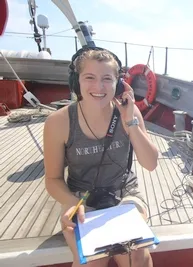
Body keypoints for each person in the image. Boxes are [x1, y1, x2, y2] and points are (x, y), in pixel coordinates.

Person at [43, 46, 158, 267]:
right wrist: (72, 203)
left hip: (124, 193)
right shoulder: (58, 122)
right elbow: (53, 179)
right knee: (92, 260)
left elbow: (150, 164)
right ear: (77, 82)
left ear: (120, 84)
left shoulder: (130, 114)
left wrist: (130, 121)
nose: (99, 86)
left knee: (136, 255)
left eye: (107, 78)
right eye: (89, 77)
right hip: (81, 199)